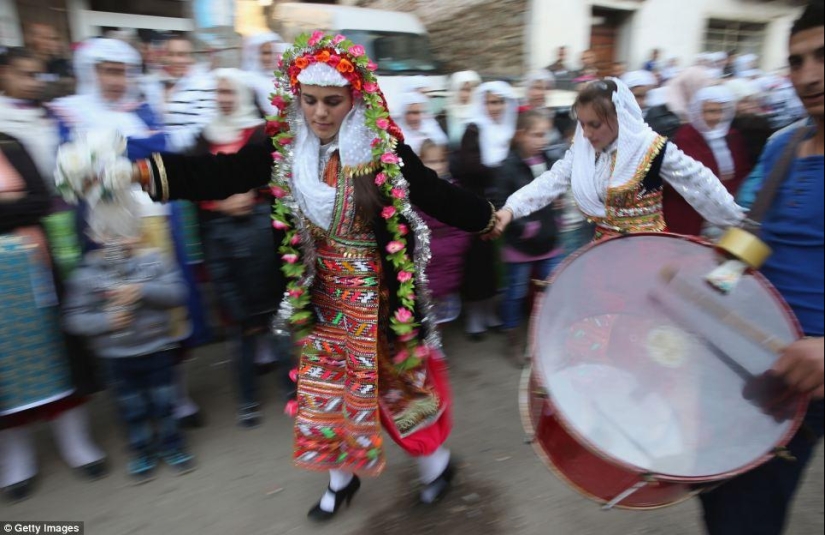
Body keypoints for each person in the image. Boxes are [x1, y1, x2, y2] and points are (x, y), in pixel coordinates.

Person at [59, 32, 496, 519]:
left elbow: (433, 192)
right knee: (324, 392)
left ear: (354, 99)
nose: (320, 113)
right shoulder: (283, 145)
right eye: (310, 100)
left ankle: (436, 466)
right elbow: (218, 174)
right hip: (322, 296)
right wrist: (137, 173)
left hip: (379, 299)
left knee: (398, 389)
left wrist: (485, 217)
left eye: (332, 101)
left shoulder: (381, 148)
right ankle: (341, 480)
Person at [699, 3, 824, 533]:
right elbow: (755, 235)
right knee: (719, 492)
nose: (808, 76)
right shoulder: (782, 145)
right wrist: (716, 279)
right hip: (756, 356)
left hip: (811, 372)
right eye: (796, 61)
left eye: (822, 57)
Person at [491, 78, 745, 242]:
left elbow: (700, 181)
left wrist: (738, 222)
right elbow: (552, 180)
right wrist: (511, 209)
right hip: (604, 250)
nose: (586, 133)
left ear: (619, 118)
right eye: (582, 125)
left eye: (595, 124)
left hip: (646, 251)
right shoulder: (584, 150)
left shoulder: (651, 148)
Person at [0, 134, 108, 503]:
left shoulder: (10, 145)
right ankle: (16, 459)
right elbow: (24, 204)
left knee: (55, 354)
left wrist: (18, 204)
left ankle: (76, 443)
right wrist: (11, 202)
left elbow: (39, 202)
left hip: (32, 268)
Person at [62, 193, 194, 483]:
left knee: (165, 403)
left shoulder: (154, 261)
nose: (119, 241)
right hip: (116, 357)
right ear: (93, 234)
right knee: (132, 409)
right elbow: (74, 318)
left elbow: (178, 294)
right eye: (110, 233)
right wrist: (105, 321)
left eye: (126, 231)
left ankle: (173, 446)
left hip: (158, 349)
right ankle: (142, 451)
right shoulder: (86, 276)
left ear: (139, 230)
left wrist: (142, 290)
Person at [193, 68, 289, 428]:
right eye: (218, 92)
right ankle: (248, 399)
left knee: (279, 323)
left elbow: (280, 178)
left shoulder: (261, 133)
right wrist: (220, 203)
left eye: (229, 92)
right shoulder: (204, 138)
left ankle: (292, 389)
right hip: (224, 239)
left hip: (263, 233)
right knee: (239, 326)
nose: (223, 99)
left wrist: (253, 193)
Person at [494, 110, 561, 366]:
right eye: (537, 134)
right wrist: (524, 228)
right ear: (521, 134)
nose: (542, 140)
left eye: (545, 134)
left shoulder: (548, 160)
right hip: (520, 245)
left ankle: (543, 339)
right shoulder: (507, 167)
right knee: (516, 293)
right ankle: (512, 338)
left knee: (550, 291)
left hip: (549, 241)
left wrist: (556, 217)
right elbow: (499, 203)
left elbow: (554, 193)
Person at [457, 82, 518, 339]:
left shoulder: (509, 129)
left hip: (504, 202)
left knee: (497, 263)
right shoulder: (473, 129)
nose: (496, 107)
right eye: (492, 102)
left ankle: (491, 311)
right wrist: (500, 170)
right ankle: (475, 317)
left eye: (500, 102)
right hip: (478, 203)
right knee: (478, 261)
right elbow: (468, 167)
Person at [664, 86, 753, 237]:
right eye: (709, 111)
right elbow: (688, 177)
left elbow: (742, 171)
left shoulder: (733, 136)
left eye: (720, 111)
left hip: (727, 207)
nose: (714, 118)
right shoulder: (686, 136)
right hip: (692, 209)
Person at [416, 140, 472, 325]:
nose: (438, 166)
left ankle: (437, 334)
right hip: (424, 257)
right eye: (431, 162)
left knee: (442, 308)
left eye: (441, 161)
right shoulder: (414, 192)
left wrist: (449, 250)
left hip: (447, 259)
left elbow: (463, 226)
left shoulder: (454, 191)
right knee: (423, 310)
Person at [0, 48, 60, 183]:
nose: (35, 83)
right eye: (26, 75)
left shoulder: (53, 113)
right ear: (4, 73)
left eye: (38, 76)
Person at [727, 77, 776, 167]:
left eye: (753, 100)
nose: (751, 104)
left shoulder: (760, 123)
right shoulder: (729, 129)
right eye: (744, 101)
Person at [622, 69, 682, 139]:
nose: (644, 102)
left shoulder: (658, 121)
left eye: (647, 96)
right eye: (637, 96)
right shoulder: (616, 121)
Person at [241, 31, 284, 116]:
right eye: (266, 53)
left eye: (275, 52)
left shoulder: (286, 79)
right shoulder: (246, 81)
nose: (272, 57)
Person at [26, 23, 73, 100]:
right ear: (31, 39)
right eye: (44, 38)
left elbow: (69, 85)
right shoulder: (24, 62)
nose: (50, 43)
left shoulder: (61, 64)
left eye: (53, 39)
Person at [443, 70, 481, 148]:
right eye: (461, 89)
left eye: (468, 90)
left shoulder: (481, 113)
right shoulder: (445, 115)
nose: (464, 95)